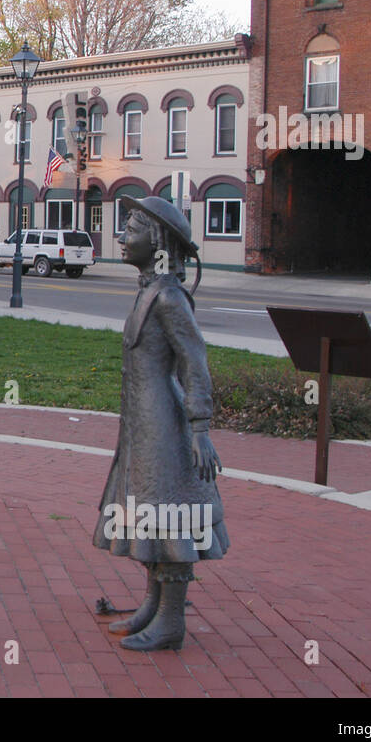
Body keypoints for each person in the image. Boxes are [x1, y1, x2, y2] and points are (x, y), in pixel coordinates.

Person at [92, 196, 228, 651]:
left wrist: (201, 429)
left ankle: (171, 621)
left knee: (168, 516)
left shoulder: (169, 297)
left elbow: (195, 363)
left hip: (164, 429)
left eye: (130, 229)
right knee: (149, 515)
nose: (120, 237)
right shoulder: (149, 290)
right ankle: (152, 604)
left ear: (158, 240)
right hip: (141, 427)